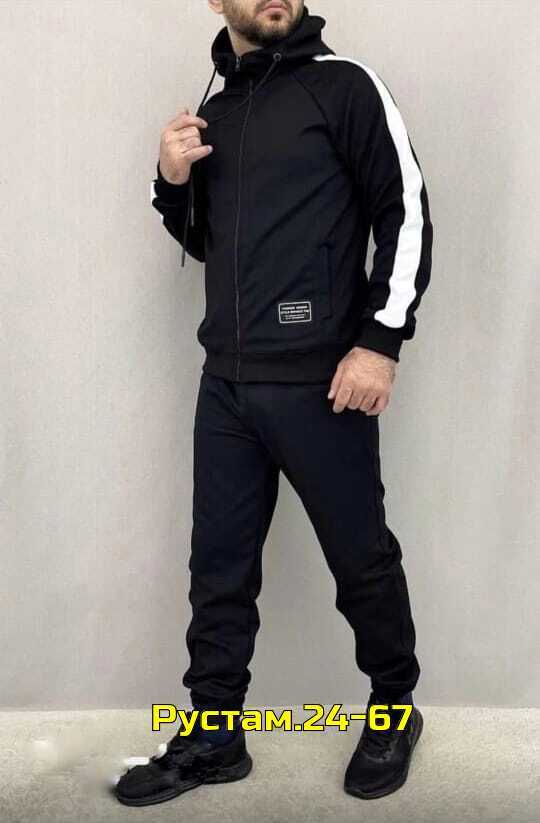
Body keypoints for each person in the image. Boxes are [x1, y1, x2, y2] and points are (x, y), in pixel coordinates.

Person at [114, 0, 433, 807]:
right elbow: (207, 242)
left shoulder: (345, 86)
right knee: (218, 569)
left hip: (322, 379)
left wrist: (379, 342)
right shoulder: (218, 112)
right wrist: (172, 181)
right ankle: (216, 734)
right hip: (226, 380)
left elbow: (407, 210)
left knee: (360, 559)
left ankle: (394, 706)